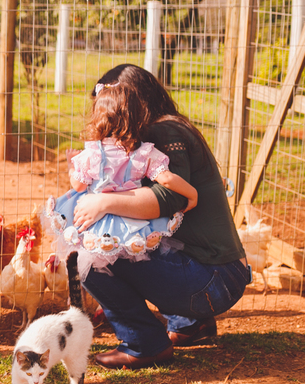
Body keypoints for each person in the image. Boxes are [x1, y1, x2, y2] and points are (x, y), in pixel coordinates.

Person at [70, 64, 251, 370]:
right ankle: (190, 324)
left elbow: (171, 197)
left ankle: (145, 345)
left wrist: (102, 201)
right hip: (218, 276)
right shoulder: (167, 127)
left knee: (91, 258)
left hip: (213, 281)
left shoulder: (163, 132)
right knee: (132, 238)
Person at [44, 78, 200, 279]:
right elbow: (167, 179)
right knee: (130, 262)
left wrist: (71, 166)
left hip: (94, 222)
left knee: (93, 265)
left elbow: (79, 186)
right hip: (130, 221)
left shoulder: (93, 152)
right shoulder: (144, 152)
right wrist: (192, 193)